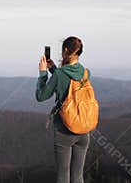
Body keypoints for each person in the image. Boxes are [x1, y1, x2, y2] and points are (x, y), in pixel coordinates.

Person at [36, 36, 91, 183]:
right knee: (78, 177)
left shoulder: (60, 75)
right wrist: (54, 69)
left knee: (63, 177)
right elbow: (69, 86)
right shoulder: (86, 73)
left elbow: (41, 96)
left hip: (64, 131)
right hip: (84, 131)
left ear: (66, 50)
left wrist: (43, 74)